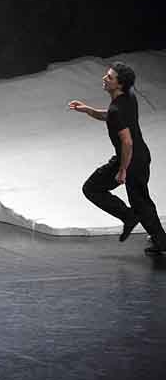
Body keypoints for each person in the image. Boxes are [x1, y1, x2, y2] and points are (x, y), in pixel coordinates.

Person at [69, 62, 166, 255]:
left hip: (131, 158)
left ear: (119, 84)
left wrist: (123, 169)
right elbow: (111, 116)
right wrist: (88, 110)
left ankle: (133, 219)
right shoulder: (128, 98)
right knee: (139, 200)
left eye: (109, 77)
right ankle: (155, 236)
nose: (104, 79)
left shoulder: (117, 109)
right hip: (137, 156)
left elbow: (127, 142)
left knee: (94, 188)